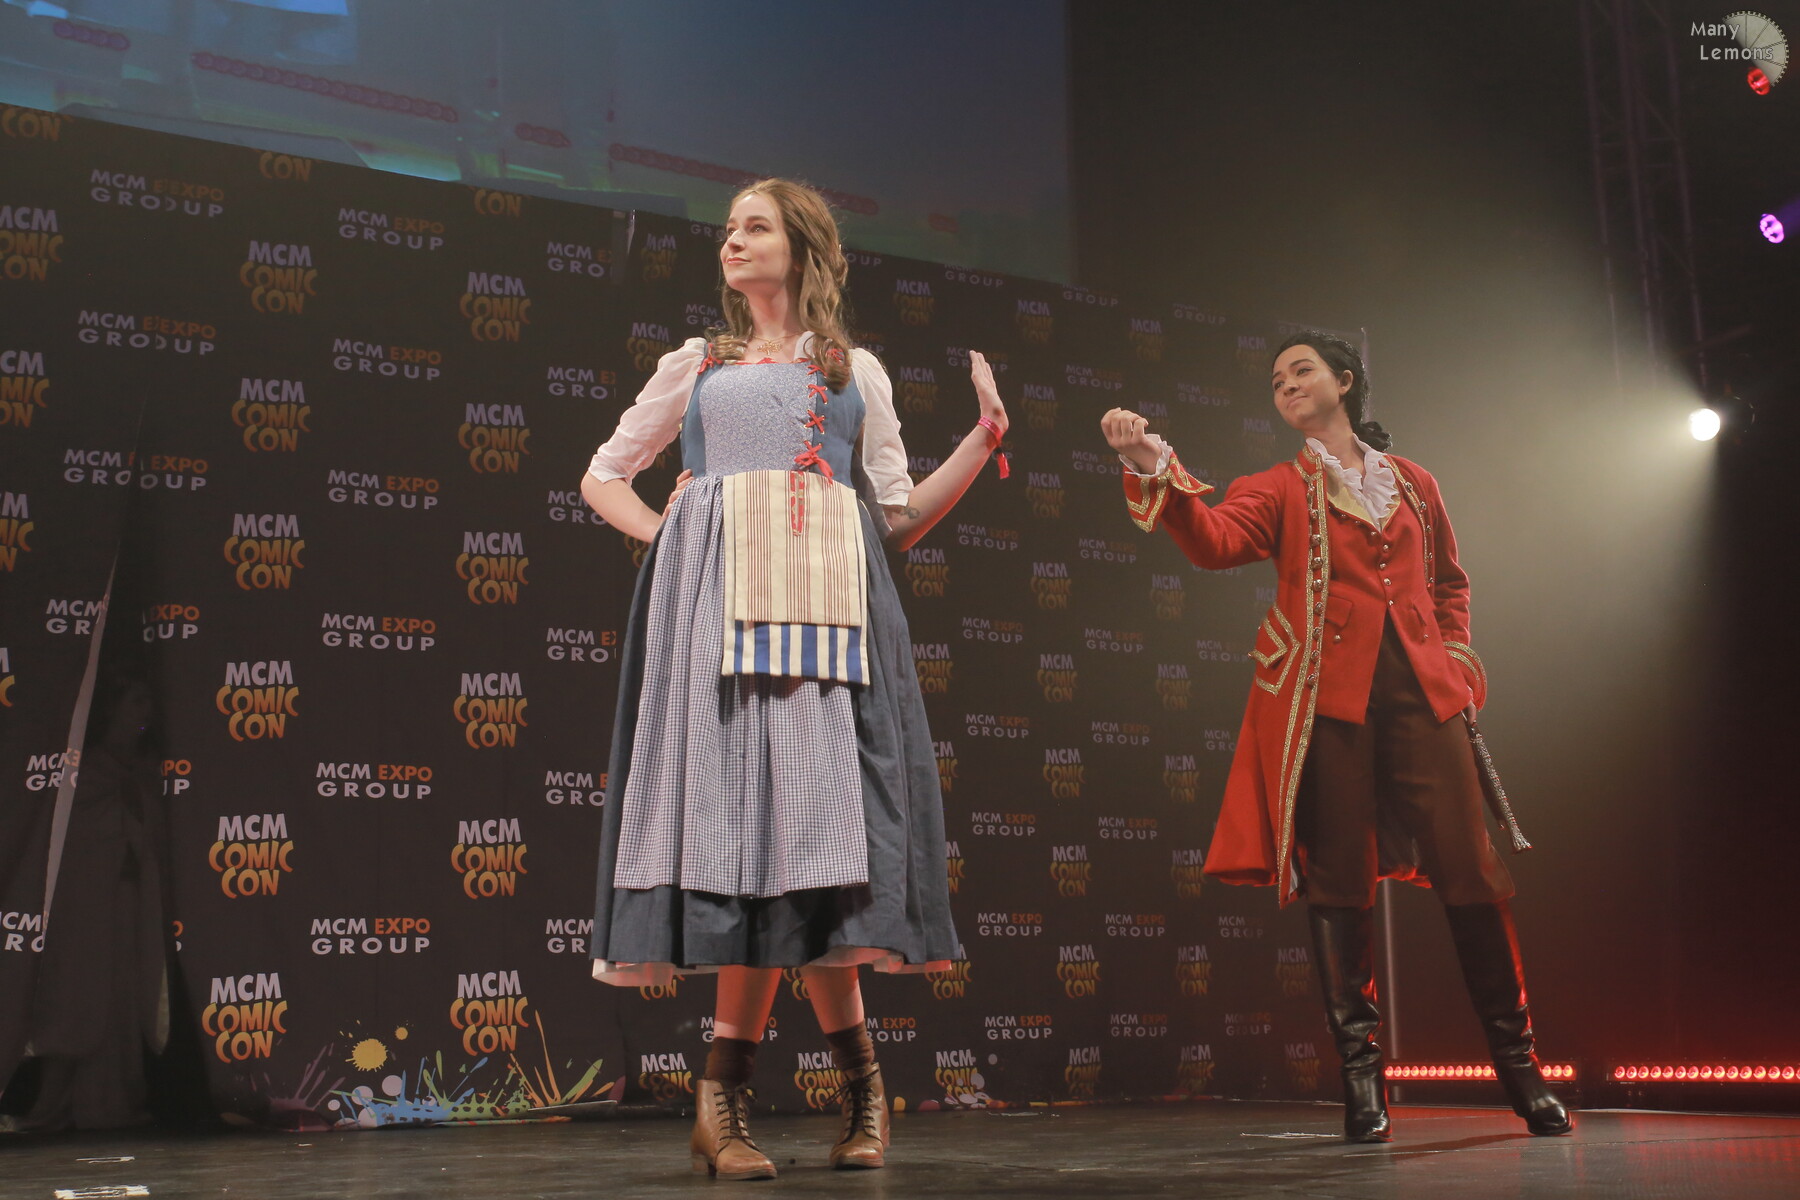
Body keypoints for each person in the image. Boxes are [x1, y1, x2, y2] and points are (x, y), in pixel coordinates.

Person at [581, 178, 1008, 1179]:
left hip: (829, 625)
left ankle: (824, 1097)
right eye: (728, 230)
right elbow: (603, 474)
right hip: (721, 626)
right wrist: (670, 535)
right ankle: (755, 1101)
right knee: (746, 847)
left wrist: (984, 438)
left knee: (815, 854)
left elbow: (897, 515)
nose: (732, 242)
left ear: (803, 247)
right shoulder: (699, 364)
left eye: (755, 227)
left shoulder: (855, 372)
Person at [1099, 331, 1570, 1143]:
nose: (1286, 385)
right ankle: (1362, 1082)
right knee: (1340, 881)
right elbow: (1213, 543)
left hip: (1425, 697)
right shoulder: (1278, 486)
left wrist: (1456, 660)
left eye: (1302, 370)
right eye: (1276, 379)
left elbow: (1449, 583)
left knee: (1471, 871)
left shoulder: (1413, 482)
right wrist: (1151, 463)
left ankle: (1521, 1070)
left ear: (1344, 382)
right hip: (1328, 703)